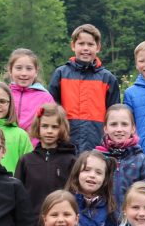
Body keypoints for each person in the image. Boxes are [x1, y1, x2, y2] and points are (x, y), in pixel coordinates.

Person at [48, 23, 121, 153]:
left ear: (98, 47)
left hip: (98, 144)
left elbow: (115, 115)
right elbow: (51, 109)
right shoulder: (61, 74)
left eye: (90, 44)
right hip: (65, 143)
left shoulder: (108, 78)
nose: (85, 48)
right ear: (73, 46)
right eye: (81, 44)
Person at [14, 103, 78, 217]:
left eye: (54, 127)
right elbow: (17, 195)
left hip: (61, 224)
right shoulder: (26, 161)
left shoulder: (71, 161)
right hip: (31, 225)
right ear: (38, 127)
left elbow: (75, 196)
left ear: (62, 128)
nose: (49, 131)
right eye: (45, 126)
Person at [97, 103, 145, 217]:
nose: (119, 129)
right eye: (113, 124)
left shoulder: (141, 160)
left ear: (133, 128)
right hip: (102, 221)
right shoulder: (97, 158)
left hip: (133, 220)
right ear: (105, 128)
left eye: (124, 124)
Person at [65, 151, 118, 226]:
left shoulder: (109, 207)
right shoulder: (66, 204)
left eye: (98, 172)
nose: (92, 175)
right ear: (77, 173)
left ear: (105, 179)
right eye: (86, 170)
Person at [5, 48, 54, 132]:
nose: (24, 73)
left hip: (34, 144)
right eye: (19, 68)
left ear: (36, 72)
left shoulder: (45, 97)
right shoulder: (4, 94)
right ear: (10, 70)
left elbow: (53, 123)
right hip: (6, 143)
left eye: (29, 69)